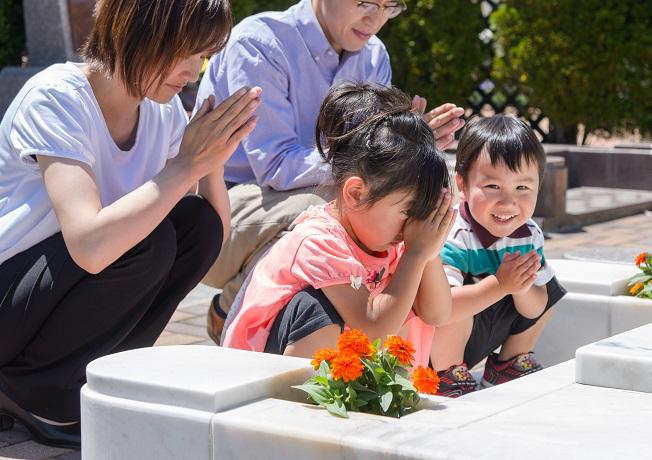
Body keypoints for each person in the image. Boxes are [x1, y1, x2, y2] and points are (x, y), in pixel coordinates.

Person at [0, 0, 260, 448]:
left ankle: (90, 379)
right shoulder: (58, 96)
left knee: (191, 224)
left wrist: (211, 163)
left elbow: (209, 244)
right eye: (187, 52)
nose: (195, 71)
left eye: (204, 56)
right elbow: (89, 245)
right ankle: (32, 394)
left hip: (51, 294)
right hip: (11, 301)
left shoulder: (162, 112)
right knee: (148, 241)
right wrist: (184, 166)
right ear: (140, 31)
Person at [195, 0, 466, 344]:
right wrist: (390, 161)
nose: (376, 18)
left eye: (390, 7)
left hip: (323, 192)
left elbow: (369, 162)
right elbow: (276, 165)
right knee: (333, 203)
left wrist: (407, 150)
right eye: (366, 2)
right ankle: (232, 310)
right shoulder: (260, 43)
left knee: (380, 198)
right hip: (224, 212)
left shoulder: (373, 54)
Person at [221, 83, 454, 367]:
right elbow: (373, 325)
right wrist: (416, 253)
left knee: (403, 299)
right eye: (408, 211)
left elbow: (438, 314)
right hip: (260, 377)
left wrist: (427, 254)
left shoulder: (391, 237)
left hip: (338, 372)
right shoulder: (318, 241)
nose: (413, 226)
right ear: (356, 193)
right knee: (315, 306)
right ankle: (303, 405)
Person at [432, 115, 567, 397]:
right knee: (461, 294)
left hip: (486, 321)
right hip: (438, 342)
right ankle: (447, 376)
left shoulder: (528, 234)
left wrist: (519, 288)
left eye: (522, 188)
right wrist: (501, 285)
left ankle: (509, 365)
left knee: (548, 288)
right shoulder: (454, 233)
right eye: (493, 187)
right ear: (463, 185)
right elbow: (442, 310)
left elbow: (535, 308)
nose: (508, 203)